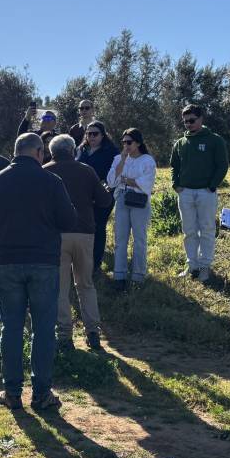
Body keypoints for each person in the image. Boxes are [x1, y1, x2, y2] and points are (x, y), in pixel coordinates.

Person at [0, 133, 77, 411]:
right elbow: (68, 219)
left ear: (15, 151)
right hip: (44, 263)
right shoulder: (51, 181)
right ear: (38, 152)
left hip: (7, 263)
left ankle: (12, 393)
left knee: (11, 327)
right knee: (44, 329)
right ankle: (42, 394)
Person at [44, 135, 112, 352]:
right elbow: (104, 201)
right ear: (73, 150)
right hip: (83, 232)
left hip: (56, 235)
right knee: (85, 285)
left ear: (51, 151)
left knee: (60, 289)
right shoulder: (86, 170)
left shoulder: (45, 171)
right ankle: (93, 332)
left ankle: (64, 335)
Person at [170, 104, 229, 282]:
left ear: (201, 119)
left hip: (206, 193)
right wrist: (176, 184)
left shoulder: (215, 140)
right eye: (185, 121)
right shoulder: (180, 143)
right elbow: (174, 166)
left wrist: (212, 185)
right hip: (185, 192)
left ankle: (205, 266)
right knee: (188, 230)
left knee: (207, 229)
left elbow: (222, 165)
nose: (188, 124)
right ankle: (192, 265)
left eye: (192, 120)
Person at [107, 129, 157, 291]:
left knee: (139, 239)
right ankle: (119, 275)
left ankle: (138, 275)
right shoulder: (118, 158)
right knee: (120, 239)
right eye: (123, 142)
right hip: (122, 198)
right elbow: (111, 181)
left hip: (140, 201)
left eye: (129, 142)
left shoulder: (147, 160)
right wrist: (122, 160)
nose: (126, 145)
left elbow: (146, 184)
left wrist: (126, 180)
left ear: (138, 143)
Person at [76, 120, 120, 275]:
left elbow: (116, 173)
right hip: (83, 196)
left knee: (99, 227)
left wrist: (105, 186)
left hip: (104, 194)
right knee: (85, 227)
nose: (92, 137)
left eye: (95, 134)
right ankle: (83, 261)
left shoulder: (112, 152)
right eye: (89, 134)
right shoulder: (81, 149)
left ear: (103, 135)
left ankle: (96, 263)